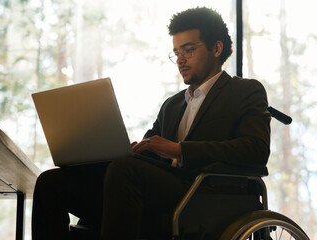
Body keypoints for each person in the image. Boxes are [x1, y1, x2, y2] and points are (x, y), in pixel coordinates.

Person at [31, 7, 271, 240]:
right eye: (176, 52)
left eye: (188, 50)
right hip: (157, 192)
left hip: (206, 193)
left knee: (125, 170)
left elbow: (255, 151)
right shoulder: (172, 105)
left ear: (216, 48)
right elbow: (150, 156)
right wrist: (114, 154)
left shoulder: (244, 91)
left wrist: (179, 150)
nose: (180, 59)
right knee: (53, 182)